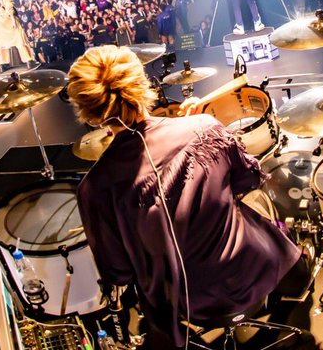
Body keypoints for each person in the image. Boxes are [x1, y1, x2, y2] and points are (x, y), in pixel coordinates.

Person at [67, 46, 304, 349]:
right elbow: (249, 179)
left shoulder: (95, 189)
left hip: (188, 304)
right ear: (141, 84)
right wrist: (198, 125)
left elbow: (119, 272)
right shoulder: (203, 128)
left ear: (89, 112)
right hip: (252, 268)